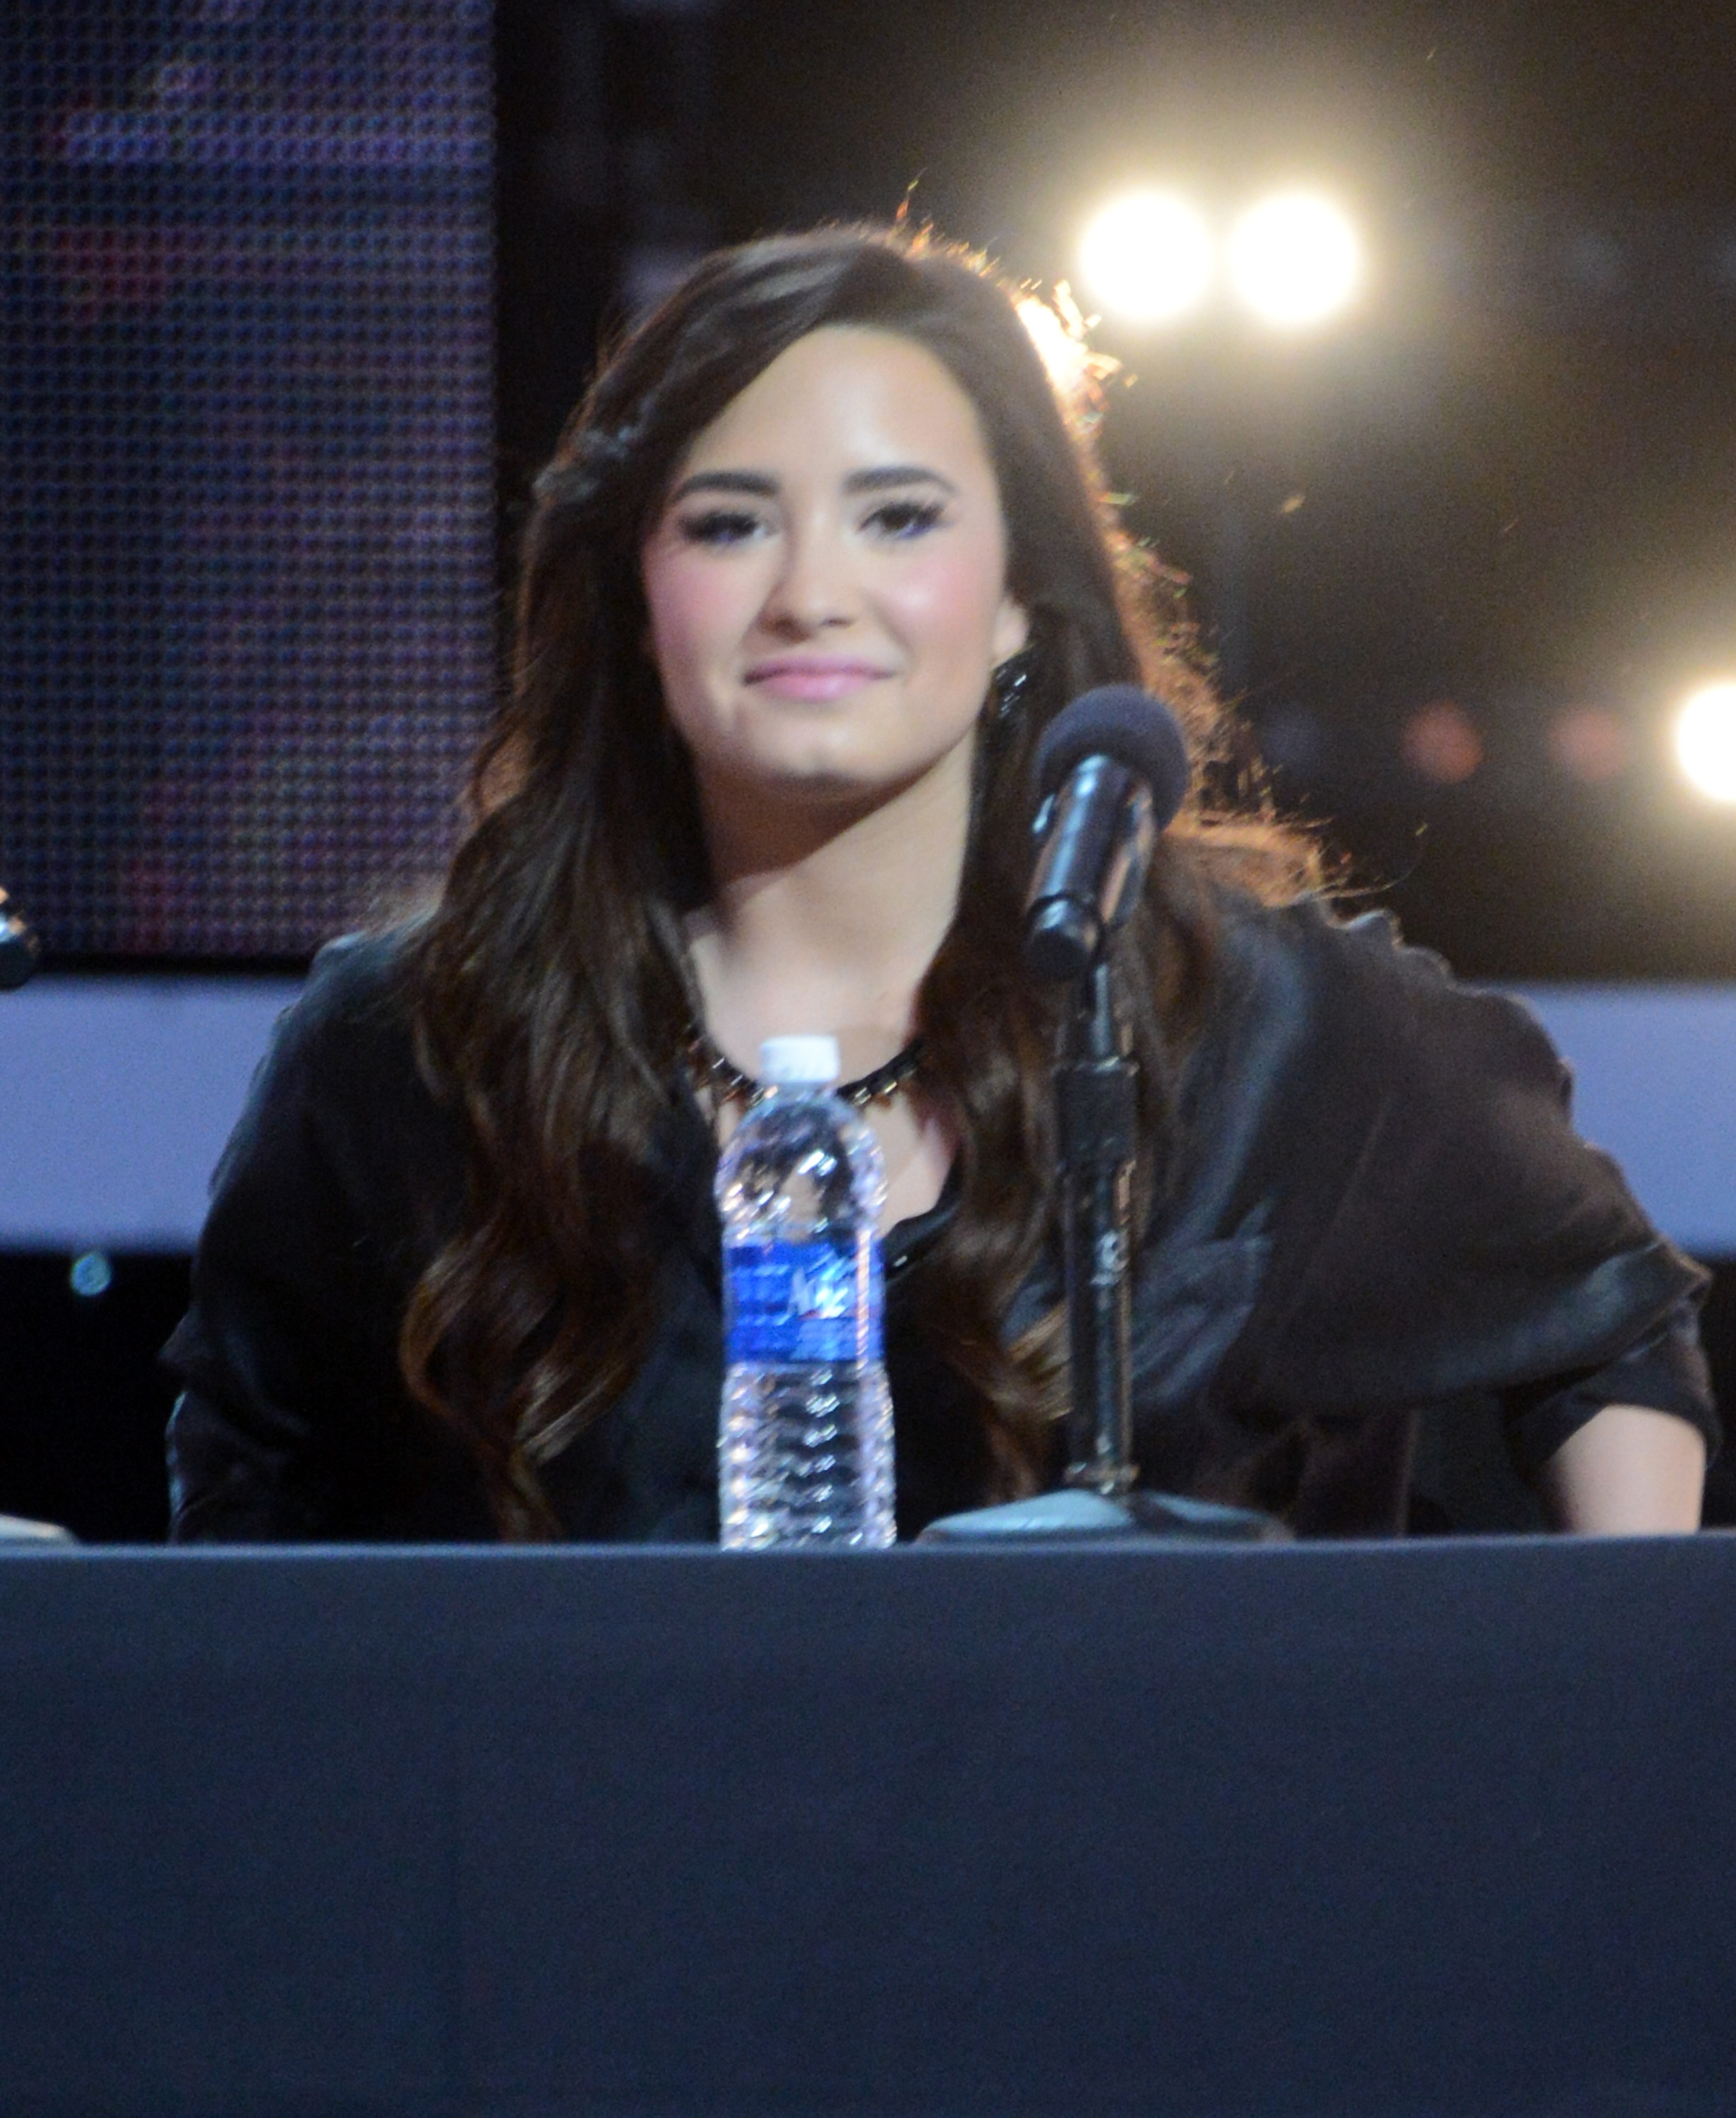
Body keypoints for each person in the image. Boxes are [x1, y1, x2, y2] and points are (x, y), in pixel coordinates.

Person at [163, 225, 1716, 1543]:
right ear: (636, 599)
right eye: (729, 525)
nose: (810, 593)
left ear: (1022, 593)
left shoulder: (1256, 1017)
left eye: (897, 518)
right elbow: (247, 1515)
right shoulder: (417, 1047)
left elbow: (1612, 1325)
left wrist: (1614, 1706)